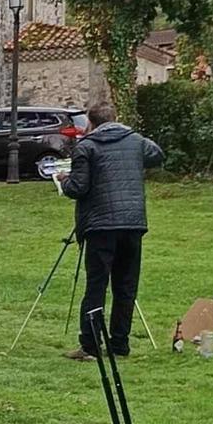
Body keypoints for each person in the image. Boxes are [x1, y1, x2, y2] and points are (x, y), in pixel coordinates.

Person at [59, 100, 165, 360]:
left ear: (91, 122)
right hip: (132, 223)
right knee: (126, 286)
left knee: (96, 286)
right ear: (116, 118)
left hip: (100, 224)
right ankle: (119, 345)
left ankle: (91, 345)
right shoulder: (136, 140)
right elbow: (157, 154)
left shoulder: (86, 147)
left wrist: (64, 181)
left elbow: (78, 188)